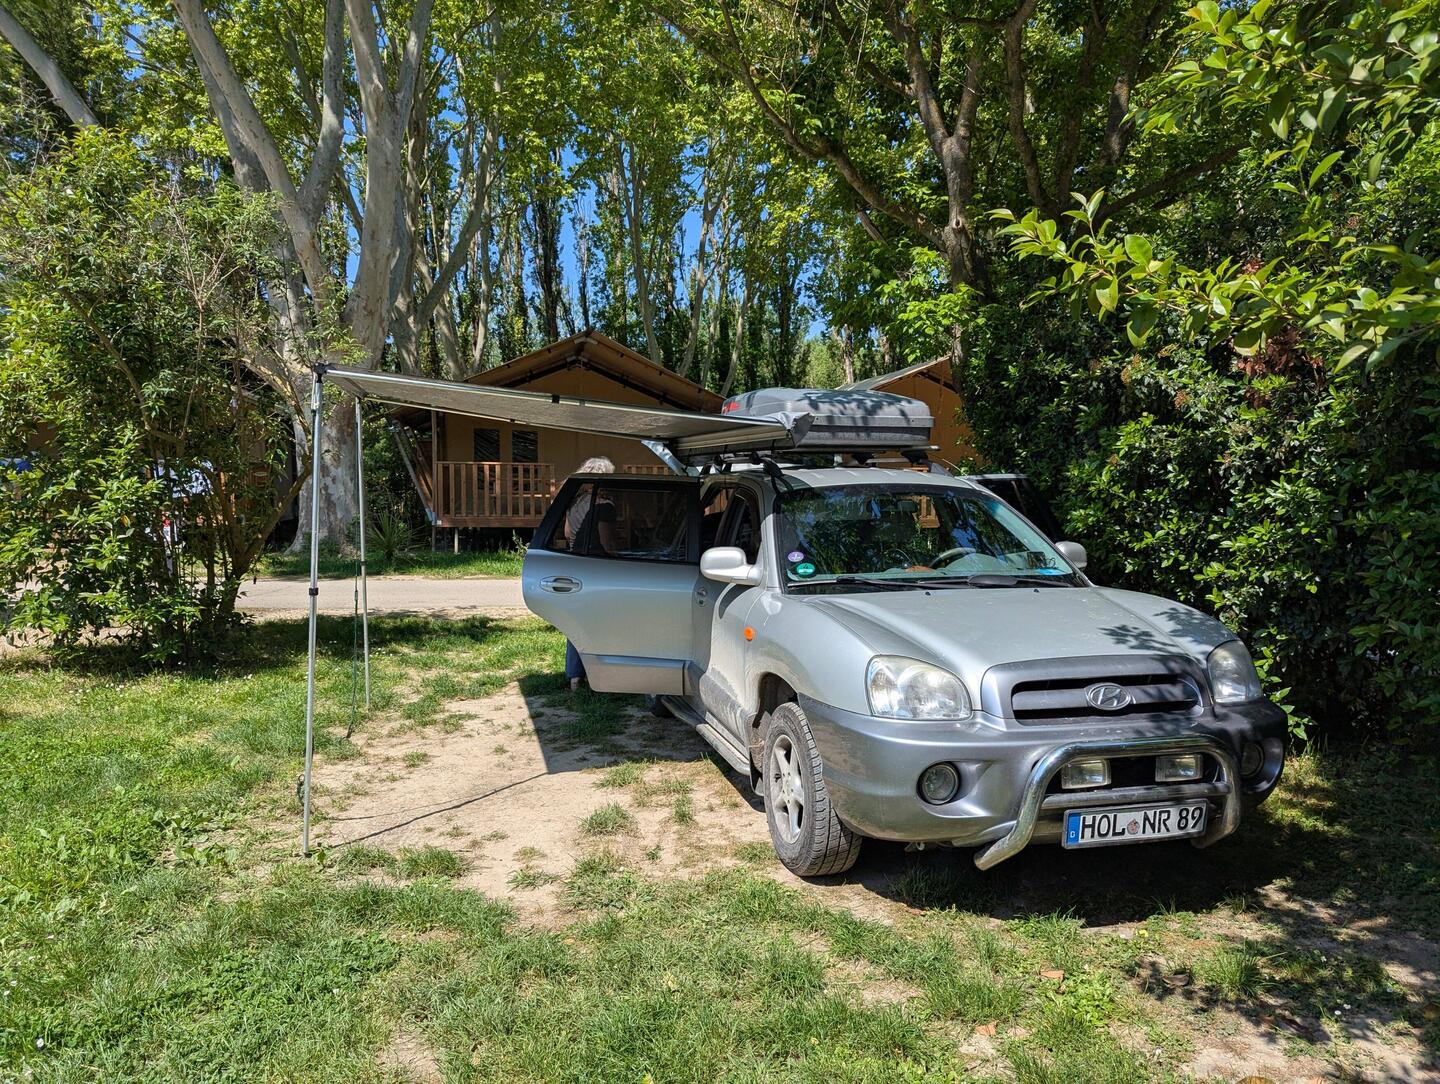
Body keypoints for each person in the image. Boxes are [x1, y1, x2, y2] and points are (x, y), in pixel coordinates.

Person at [562, 456, 616, 691]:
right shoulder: (604, 505)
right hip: (599, 567)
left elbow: (567, 534)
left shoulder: (574, 502)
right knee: (604, 620)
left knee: (577, 622)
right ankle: (606, 674)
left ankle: (575, 676)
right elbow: (608, 543)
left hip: (577, 564)